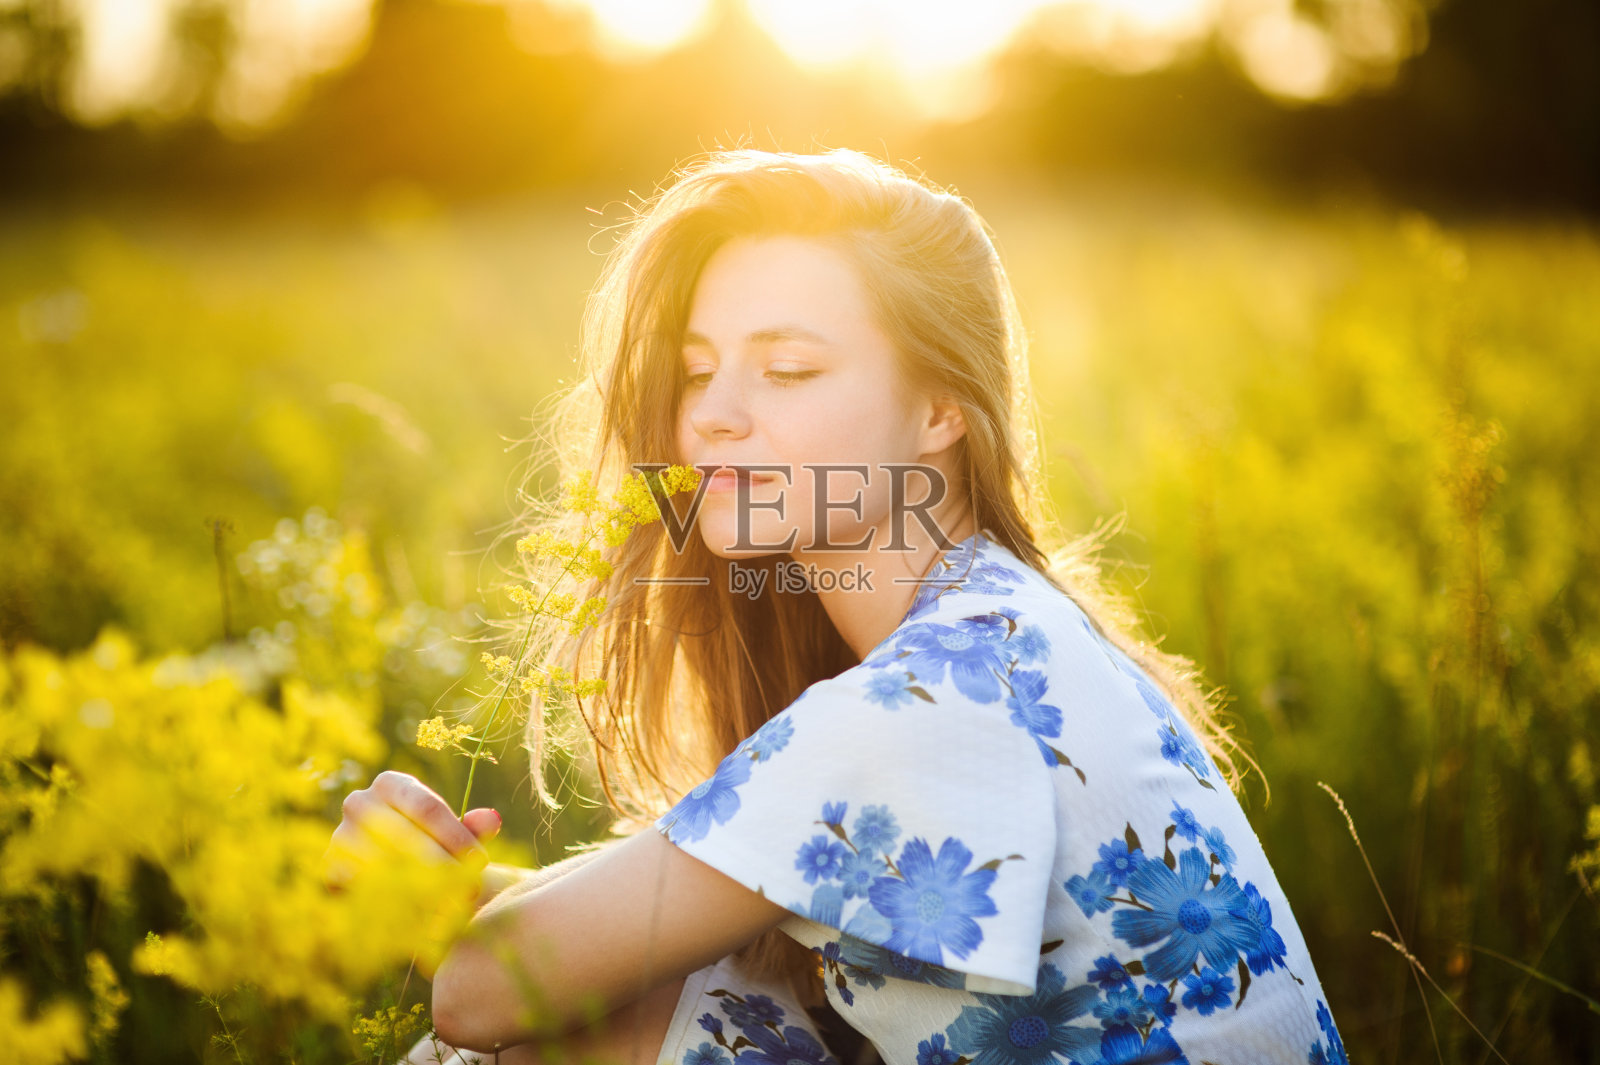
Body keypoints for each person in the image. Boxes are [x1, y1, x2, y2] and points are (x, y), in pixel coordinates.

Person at [329, 148, 1349, 1065]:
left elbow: (480, 996)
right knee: (706, 993)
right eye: (696, 370)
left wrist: (433, 912)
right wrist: (463, 907)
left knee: (524, 1047)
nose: (711, 415)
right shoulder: (994, 623)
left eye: (787, 369)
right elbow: (628, 946)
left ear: (942, 407)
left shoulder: (924, 703)